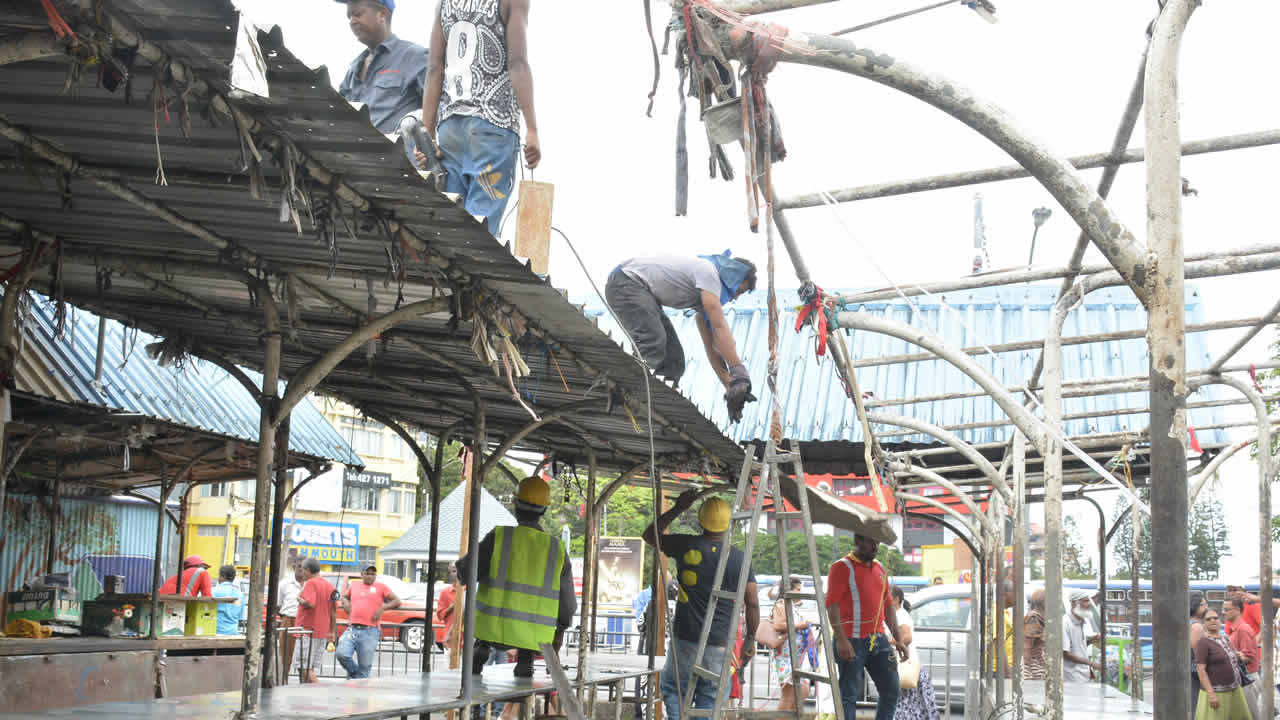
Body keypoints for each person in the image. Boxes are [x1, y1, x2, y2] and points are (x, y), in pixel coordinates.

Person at [419, 0, 540, 236]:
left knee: (450, 225)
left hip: (450, 128)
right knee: (478, 231)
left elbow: (434, 69)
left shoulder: (445, 3)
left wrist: (427, 135)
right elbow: (517, 63)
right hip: (492, 128)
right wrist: (532, 129)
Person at [643, 491, 759, 720]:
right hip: (719, 643)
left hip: (685, 639)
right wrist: (750, 637)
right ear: (728, 522)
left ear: (700, 520)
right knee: (710, 697)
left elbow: (649, 535)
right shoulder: (739, 558)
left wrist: (678, 508)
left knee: (675, 690)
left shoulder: (685, 544)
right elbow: (752, 602)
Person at [605, 252, 758, 418]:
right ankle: (622, 387)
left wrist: (730, 386)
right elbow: (720, 326)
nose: (734, 297)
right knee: (653, 343)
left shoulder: (704, 296)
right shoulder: (709, 273)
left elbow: (712, 345)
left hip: (642, 292)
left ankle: (655, 408)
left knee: (674, 361)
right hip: (626, 282)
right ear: (732, 277)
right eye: (739, 291)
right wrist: (739, 372)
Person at [457, 476, 575, 677]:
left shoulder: (499, 537)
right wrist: (562, 626)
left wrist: (460, 569)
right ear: (544, 510)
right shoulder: (557, 550)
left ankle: (481, 652)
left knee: (478, 656)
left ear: (515, 505)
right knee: (528, 649)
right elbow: (568, 605)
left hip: (490, 630)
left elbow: (468, 571)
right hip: (534, 638)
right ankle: (525, 661)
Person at [826, 534, 909, 720]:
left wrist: (900, 640)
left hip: (878, 639)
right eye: (871, 541)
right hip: (851, 640)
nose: (875, 546)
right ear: (857, 541)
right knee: (848, 696)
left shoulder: (880, 568)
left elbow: (888, 608)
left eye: (877, 542)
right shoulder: (841, 567)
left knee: (891, 690)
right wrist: (841, 640)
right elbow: (832, 605)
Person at [334, 0, 428, 136]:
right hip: (357, 155)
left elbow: (441, 106)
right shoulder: (352, 74)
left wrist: (416, 119)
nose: (352, 21)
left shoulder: (414, 57)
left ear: (382, 14)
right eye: (349, 17)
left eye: (358, 14)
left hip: (399, 155)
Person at [337, 564, 402, 679]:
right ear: (362, 574)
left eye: (373, 574)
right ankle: (358, 676)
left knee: (365, 666)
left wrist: (383, 608)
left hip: (370, 631)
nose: (370, 576)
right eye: (367, 573)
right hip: (352, 628)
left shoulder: (381, 587)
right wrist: (346, 603)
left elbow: (397, 601)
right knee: (342, 654)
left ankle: (359, 683)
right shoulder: (354, 585)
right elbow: (345, 597)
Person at [1194, 608, 1253, 720]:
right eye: (1208, 619)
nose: (1212, 621)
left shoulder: (1225, 638)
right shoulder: (1203, 642)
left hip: (1235, 689)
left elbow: (1233, 657)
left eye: (1215, 618)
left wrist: (1239, 656)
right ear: (1204, 624)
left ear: (1220, 620)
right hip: (1217, 692)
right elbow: (1201, 670)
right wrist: (1211, 695)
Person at [891, 586, 939, 720]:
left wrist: (888, 641)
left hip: (904, 665)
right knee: (910, 705)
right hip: (906, 664)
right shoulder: (897, 614)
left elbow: (907, 638)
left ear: (896, 599)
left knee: (905, 703)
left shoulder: (900, 615)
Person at [770, 576, 811, 712]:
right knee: (789, 696)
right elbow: (778, 624)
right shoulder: (782, 604)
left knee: (801, 691)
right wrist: (800, 625)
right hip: (785, 658)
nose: (800, 592)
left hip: (793, 658)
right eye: (798, 589)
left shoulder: (791, 605)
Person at [295, 558, 337, 684]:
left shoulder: (311, 583)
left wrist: (299, 599)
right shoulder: (329, 585)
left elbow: (310, 603)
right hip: (321, 632)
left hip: (307, 630)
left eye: (303, 570)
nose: (302, 573)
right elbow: (334, 611)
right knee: (309, 667)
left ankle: (322, 693)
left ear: (307, 570)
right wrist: (331, 632)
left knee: (304, 668)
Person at [1224, 597, 1262, 720]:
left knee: (1251, 715)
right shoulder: (1236, 629)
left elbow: (1249, 657)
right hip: (1243, 679)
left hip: (1248, 679)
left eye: (1226, 609)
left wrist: (1232, 655)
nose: (1223, 612)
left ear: (1237, 610)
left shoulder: (1243, 629)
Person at [1063, 589, 1101, 683]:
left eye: (1088, 601)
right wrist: (1091, 663)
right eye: (1085, 601)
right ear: (1074, 603)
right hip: (1071, 676)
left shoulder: (1083, 621)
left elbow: (1078, 647)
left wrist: (1091, 640)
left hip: (1084, 674)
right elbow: (1065, 653)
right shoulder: (1065, 623)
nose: (1088, 604)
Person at [277, 563, 305, 684]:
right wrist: (286, 619)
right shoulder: (284, 583)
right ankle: (283, 681)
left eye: (305, 567)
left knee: (305, 656)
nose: (302, 569)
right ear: (294, 567)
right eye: (299, 566)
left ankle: (304, 684)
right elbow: (278, 604)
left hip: (305, 622)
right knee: (285, 655)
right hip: (289, 619)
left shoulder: (310, 583)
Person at [211, 565, 245, 636]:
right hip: (233, 633)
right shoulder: (240, 595)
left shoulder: (214, 591)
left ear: (222, 576)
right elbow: (240, 617)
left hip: (215, 631)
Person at [1023, 589, 1048, 681]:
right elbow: (1027, 644)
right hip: (1034, 665)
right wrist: (1027, 666)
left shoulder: (1040, 617)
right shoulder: (1034, 618)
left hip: (1037, 663)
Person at [1191, 591, 1209, 715]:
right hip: (1195, 674)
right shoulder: (1196, 627)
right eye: (1203, 604)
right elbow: (1199, 654)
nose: (1206, 607)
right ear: (1194, 606)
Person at [435, 563, 459, 653]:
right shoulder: (445, 592)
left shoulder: (471, 591)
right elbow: (440, 615)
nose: (456, 574)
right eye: (453, 571)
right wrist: (451, 607)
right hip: (450, 638)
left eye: (456, 571)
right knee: (449, 665)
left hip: (468, 639)